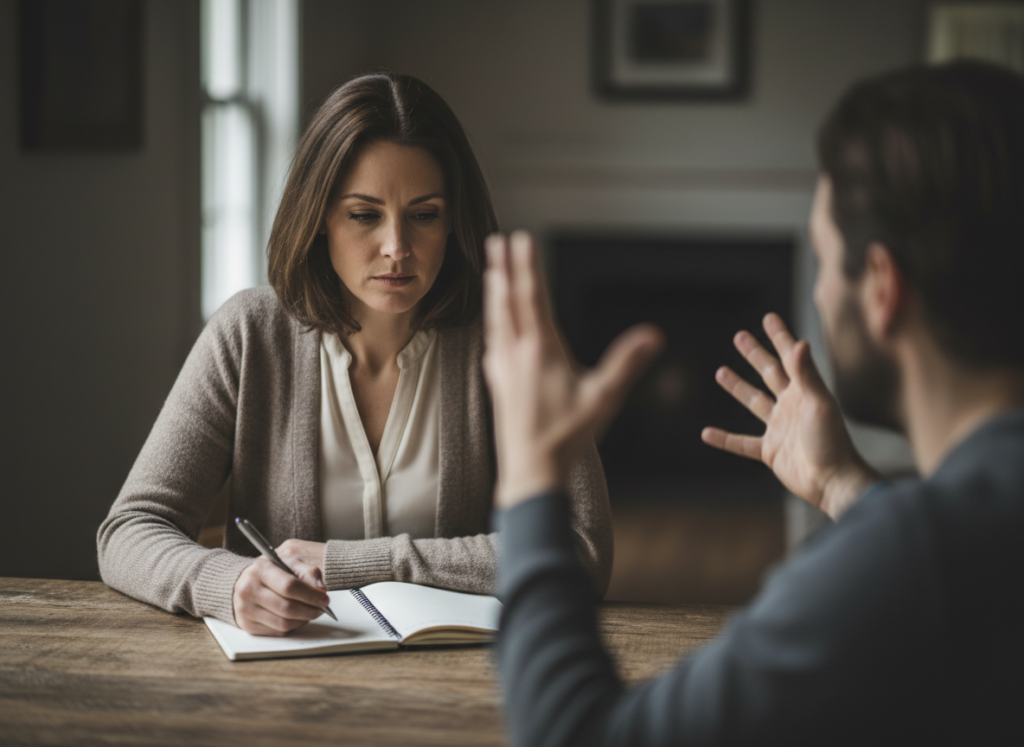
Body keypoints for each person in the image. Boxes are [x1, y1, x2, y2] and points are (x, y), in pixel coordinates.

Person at [485, 60, 1023, 746]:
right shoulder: (965, 537)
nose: (821, 293)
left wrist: (533, 470)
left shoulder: (913, 558)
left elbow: (577, 734)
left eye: (826, 260)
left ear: (882, 286)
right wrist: (843, 483)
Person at [97, 73, 612, 636]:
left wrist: (356, 562)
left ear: (453, 221)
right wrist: (229, 583)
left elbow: (582, 548)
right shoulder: (248, 334)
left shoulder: (506, 340)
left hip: (467, 687)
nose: (397, 247)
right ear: (320, 218)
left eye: (424, 214)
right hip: (286, 688)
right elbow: (130, 531)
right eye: (364, 215)